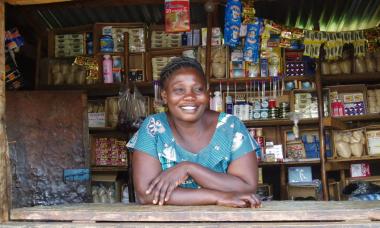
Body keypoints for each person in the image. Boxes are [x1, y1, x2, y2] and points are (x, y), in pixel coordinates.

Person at [127, 57, 261, 208]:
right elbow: (146, 194)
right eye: (179, 90)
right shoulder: (153, 128)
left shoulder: (231, 127)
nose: (190, 97)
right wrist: (217, 197)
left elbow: (246, 187)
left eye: (198, 89)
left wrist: (189, 168)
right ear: (165, 96)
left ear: (207, 93)